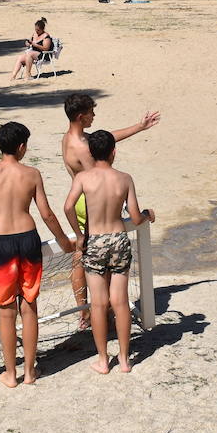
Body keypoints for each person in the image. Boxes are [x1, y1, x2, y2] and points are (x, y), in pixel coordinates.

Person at [0, 122, 75, 387]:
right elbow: (46, 213)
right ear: (22, 146)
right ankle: (29, 372)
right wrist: (63, 239)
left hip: (0, 240)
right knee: (29, 305)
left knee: (5, 309)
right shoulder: (32, 173)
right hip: (27, 239)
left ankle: (10, 375)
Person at [61, 94, 160, 328]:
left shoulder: (71, 137)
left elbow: (104, 139)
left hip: (80, 201)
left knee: (82, 252)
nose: (94, 116)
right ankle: (95, 313)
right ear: (80, 116)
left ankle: (84, 309)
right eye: (91, 113)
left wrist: (139, 127)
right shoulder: (82, 147)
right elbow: (101, 176)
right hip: (91, 205)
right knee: (90, 256)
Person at [63, 130, 155, 374]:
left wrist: (80, 235)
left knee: (99, 304)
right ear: (114, 152)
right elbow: (135, 218)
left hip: (95, 240)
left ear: (91, 153)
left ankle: (103, 360)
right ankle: (125, 360)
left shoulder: (83, 178)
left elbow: (68, 206)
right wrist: (148, 214)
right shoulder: (124, 178)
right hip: (118, 239)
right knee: (121, 302)